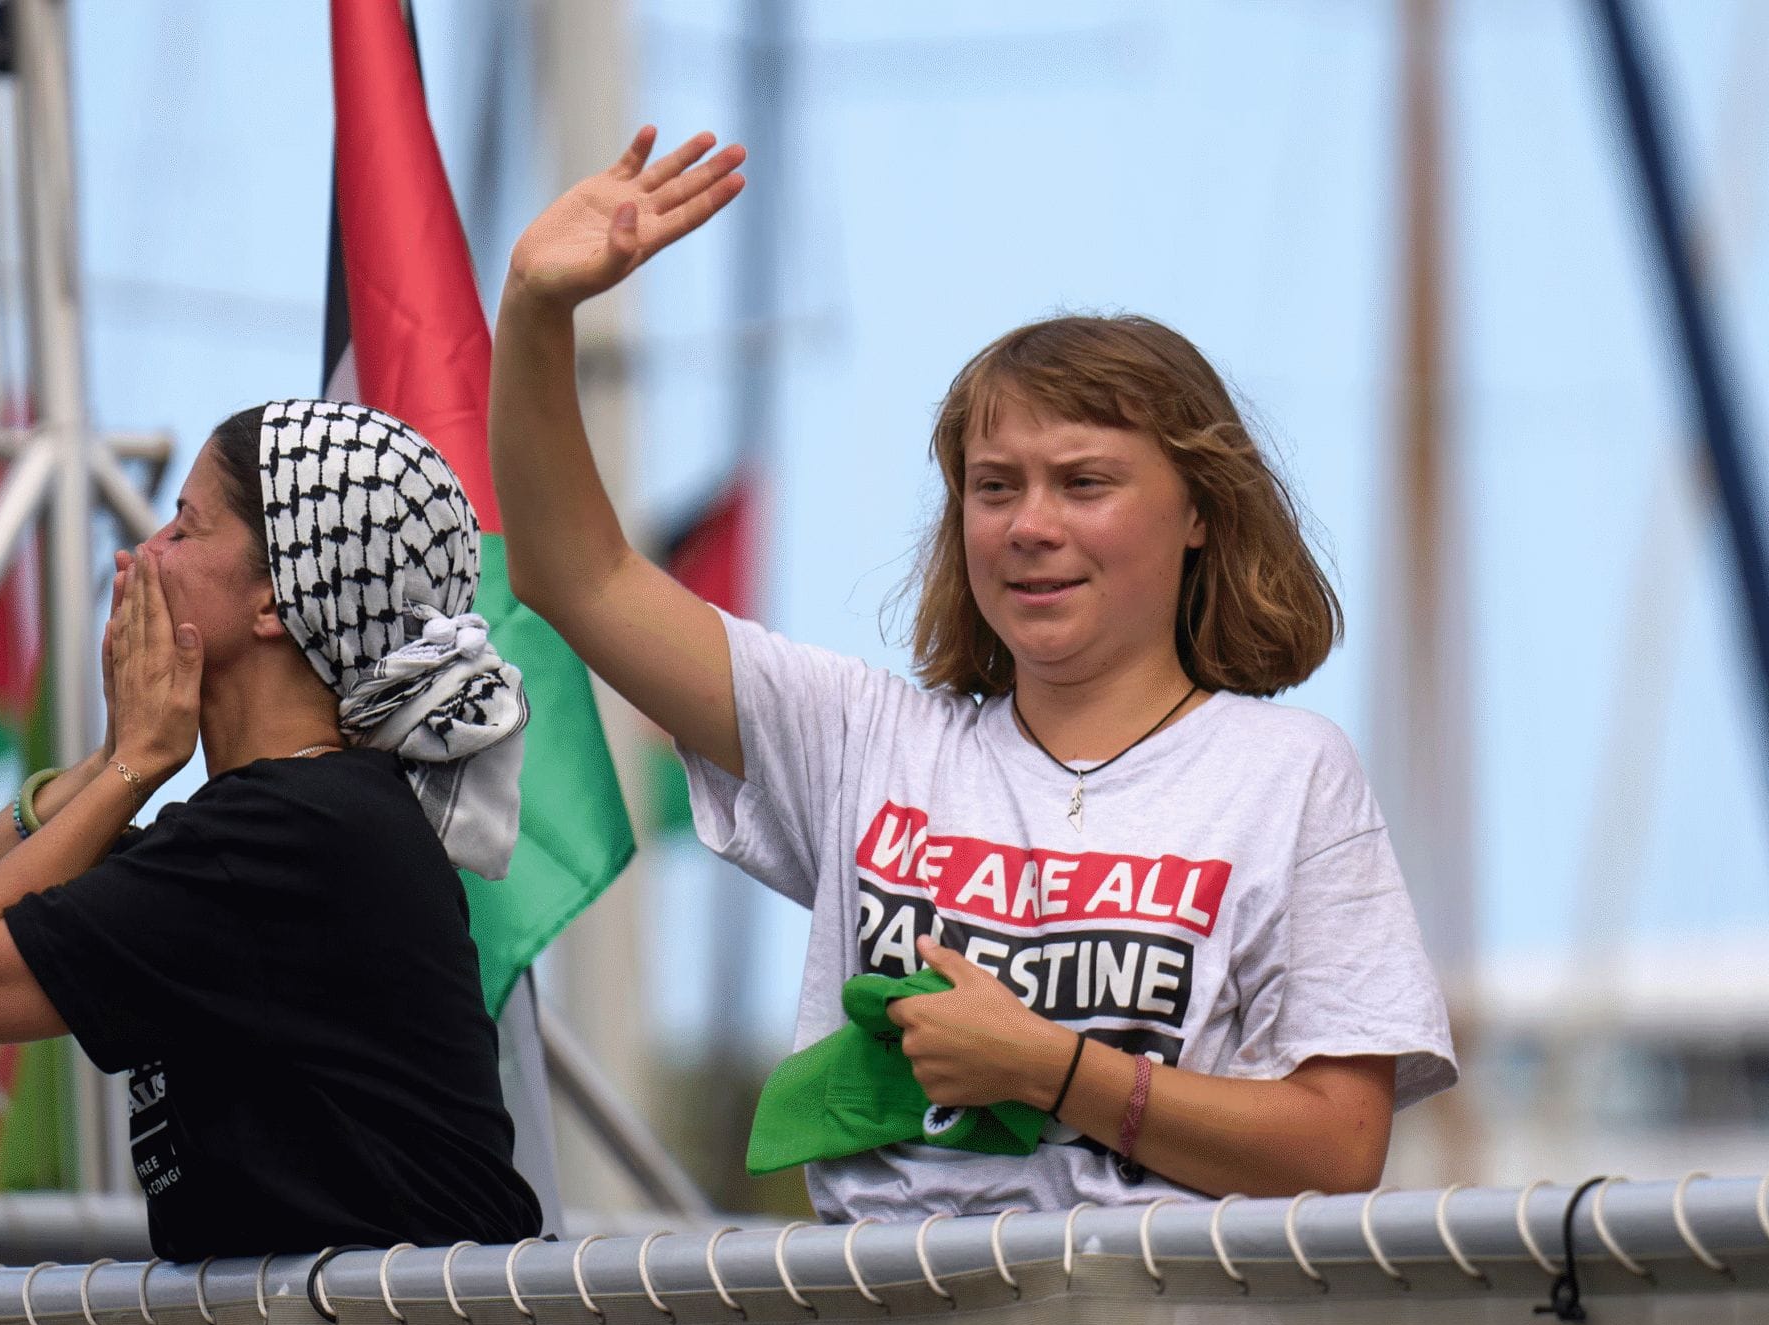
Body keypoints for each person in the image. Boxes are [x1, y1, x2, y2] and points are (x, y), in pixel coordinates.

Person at [490, 128, 1456, 1220]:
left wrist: (1047, 1070)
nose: (1029, 526)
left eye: (1082, 482)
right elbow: (577, 575)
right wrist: (534, 309)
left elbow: (1337, 1146)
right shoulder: (860, 740)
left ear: (1197, 512)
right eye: (993, 488)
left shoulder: (1287, 773)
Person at [0, 399, 544, 1258]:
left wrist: (137, 764)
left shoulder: (295, 834)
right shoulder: (279, 832)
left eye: (184, 527)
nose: (139, 556)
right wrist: (111, 763)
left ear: (273, 603)